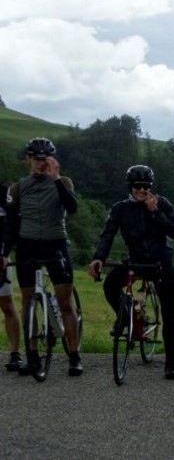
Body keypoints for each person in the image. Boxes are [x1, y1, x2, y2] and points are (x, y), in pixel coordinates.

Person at [87, 165, 174, 380]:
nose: (141, 190)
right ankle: (127, 316)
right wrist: (98, 258)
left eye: (145, 186)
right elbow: (108, 234)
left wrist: (155, 212)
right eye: (137, 186)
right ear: (130, 187)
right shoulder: (120, 208)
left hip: (161, 262)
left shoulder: (162, 203)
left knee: (169, 310)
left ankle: (170, 362)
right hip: (137, 261)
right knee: (110, 285)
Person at [1, 138, 82, 376]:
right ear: (28, 160)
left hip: (55, 244)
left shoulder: (63, 181)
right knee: (28, 302)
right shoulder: (18, 187)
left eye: (45, 159)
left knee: (65, 303)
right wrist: (4, 253)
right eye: (36, 159)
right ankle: (32, 355)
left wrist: (55, 179)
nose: (40, 164)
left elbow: (72, 207)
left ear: (52, 160)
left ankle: (75, 355)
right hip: (27, 246)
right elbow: (11, 223)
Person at [0, 181, 23, 372]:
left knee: (6, 304)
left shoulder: (4, 191)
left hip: (1, 254)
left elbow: (12, 224)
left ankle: (15, 353)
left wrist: (6, 252)